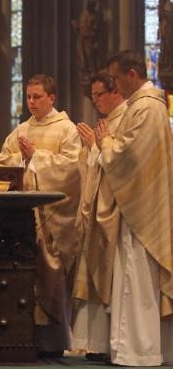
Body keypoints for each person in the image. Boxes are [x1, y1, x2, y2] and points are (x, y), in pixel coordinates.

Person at [90, 50, 173, 366]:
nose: (115, 84)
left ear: (132, 75)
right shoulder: (145, 107)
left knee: (137, 277)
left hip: (142, 210)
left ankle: (140, 351)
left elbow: (129, 157)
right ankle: (129, 348)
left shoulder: (147, 109)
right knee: (130, 277)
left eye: (116, 77)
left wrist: (107, 143)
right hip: (137, 205)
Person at [0, 74, 81, 355]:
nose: (31, 102)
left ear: (51, 98)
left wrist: (36, 158)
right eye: (28, 97)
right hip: (23, 218)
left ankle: (54, 343)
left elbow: (72, 170)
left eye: (37, 97)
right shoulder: (21, 130)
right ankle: (21, 337)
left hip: (53, 220)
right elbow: (1, 162)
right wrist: (21, 159)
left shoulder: (67, 130)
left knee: (51, 278)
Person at [71, 70, 127, 361]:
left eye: (99, 95)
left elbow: (120, 163)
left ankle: (109, 343)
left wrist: (97, 146)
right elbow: (97, 162)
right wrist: (90, 149)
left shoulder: (126, 118)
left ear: (114, 91)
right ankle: (96, 342)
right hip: (99, 206)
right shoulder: (109, 121)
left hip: (116, 211)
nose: (95, 102)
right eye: (92, 96)